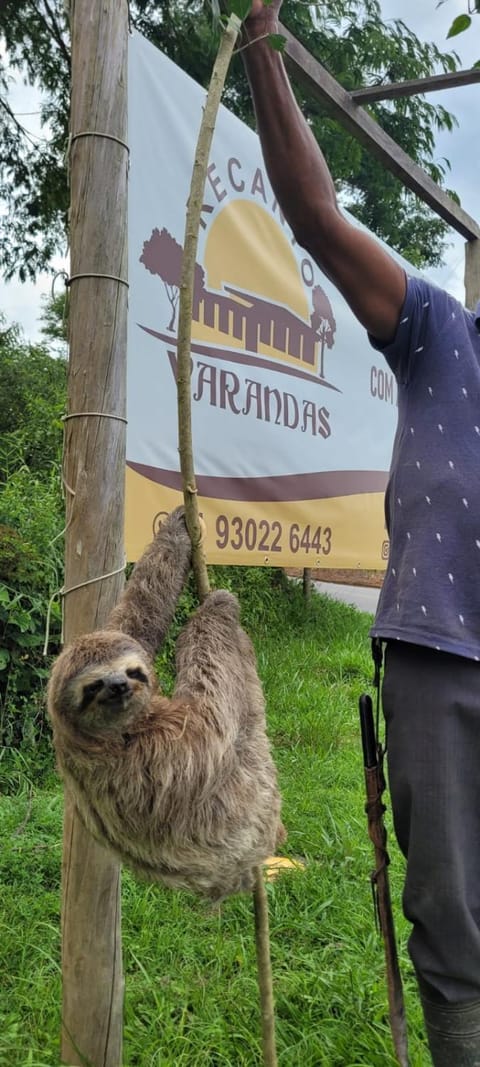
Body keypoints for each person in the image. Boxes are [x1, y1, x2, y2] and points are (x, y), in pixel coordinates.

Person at [241, 2, 480, 1064]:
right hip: (438, 658)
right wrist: (262, 50)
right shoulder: (438, 329)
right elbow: (315, 213)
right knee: (452, 912)